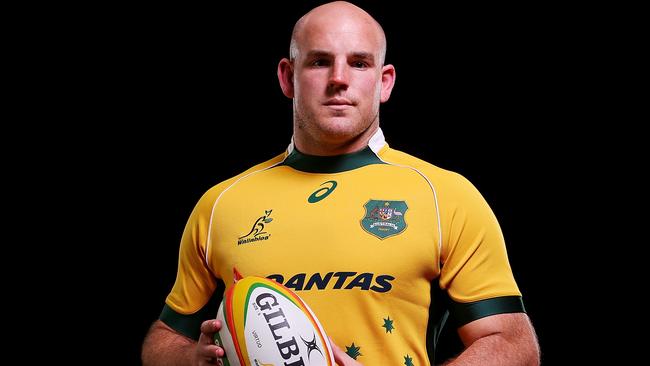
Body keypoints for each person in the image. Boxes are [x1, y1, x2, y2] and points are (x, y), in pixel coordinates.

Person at [141, 1, 540, 365]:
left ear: (384, 82)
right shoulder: (222, 203)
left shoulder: (446, 197)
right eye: (319, 62)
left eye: (359, 63)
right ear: (287, 77)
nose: (338, 79)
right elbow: (162, 340)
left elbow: (513, 343)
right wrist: (190, 358)